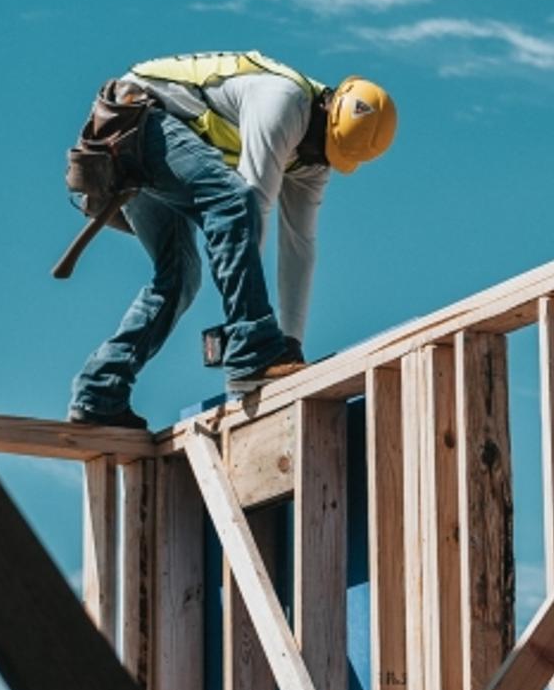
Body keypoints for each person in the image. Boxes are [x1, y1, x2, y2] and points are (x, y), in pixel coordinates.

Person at [65, 51, 397, 428]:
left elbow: (299, 247)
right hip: (133, 120)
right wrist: (254, 343)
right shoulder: (283, 101)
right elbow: (249, 206)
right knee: (233, 200)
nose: (313, 158)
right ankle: (252, 348)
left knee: (179, 279)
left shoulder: (314, 159)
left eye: (325, 154)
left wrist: (291, 344)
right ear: (325, 108)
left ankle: (99, 391)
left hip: (152, 143)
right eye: (319, 144)